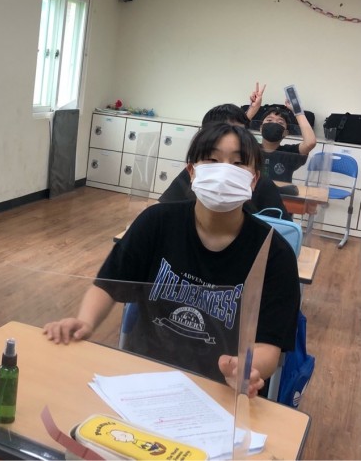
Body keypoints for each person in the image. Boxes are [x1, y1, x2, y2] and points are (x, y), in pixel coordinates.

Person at [44, 123, 300, 398]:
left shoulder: (275, 253)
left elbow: (270, 347)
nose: (224, 171)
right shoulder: (156, 223)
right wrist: (85, 321)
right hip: (144, 375)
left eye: (238, 163)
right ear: (191, 172)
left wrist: (244, 368)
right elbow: (108, 284)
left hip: (220, 391)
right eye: (212, 160)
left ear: (254, 180)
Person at [159, 103, 291, 220]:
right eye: (212, 160)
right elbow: (161, 209)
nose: (229, 139)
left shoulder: (260, 183)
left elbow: (284, 230)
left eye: (238, 162)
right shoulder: (195, 173)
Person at [246, 83, 317, 182]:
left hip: (279, 192)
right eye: (269, 120)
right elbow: (233, 134)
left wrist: (297, 110)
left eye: (280, 122)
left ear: (286, 133)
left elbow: (310, 142)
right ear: (261, 128)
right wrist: (253, 108)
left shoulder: (289, 153)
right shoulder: (250, 149)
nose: (274, 123)